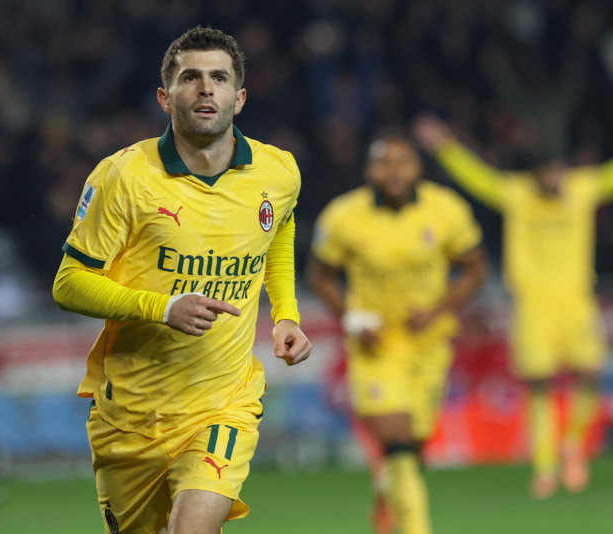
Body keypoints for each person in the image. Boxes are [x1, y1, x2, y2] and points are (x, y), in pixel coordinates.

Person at [52, 26, 312, 534]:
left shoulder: (278, 172)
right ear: (165, 97)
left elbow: (279, 231)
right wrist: (165, 308)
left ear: (239, 97)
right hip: (131, 416)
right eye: (190, 77)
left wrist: (286, 314)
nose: (206, 88)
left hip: (224, 403)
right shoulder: (122, 177)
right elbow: (69, 284)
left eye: (219, 78)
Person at [413, 114, 613, 498]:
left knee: (590, 374)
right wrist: (446, 147)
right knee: (539, 386)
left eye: (559, 172)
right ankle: (545, 466)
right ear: (535, 175)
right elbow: (478, 178)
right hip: (533, 305)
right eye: (547, 174)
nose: (554, 180)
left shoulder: (582, 188)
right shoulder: (517, 193)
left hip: (576, 301)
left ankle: (572, 445)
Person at [307, 131, 487, 534]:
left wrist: (438, 311)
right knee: (397, 436)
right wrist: (352, 319)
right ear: (369, 170)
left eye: (403, 162)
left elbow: (475, 268)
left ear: (417, 167)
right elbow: (319, 275)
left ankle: (387, 492)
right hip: (377, 346)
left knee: (415, 444)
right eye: (384, 163)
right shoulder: (343, 216)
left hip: (429, 344)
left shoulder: (446, 208)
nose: (394, 171)